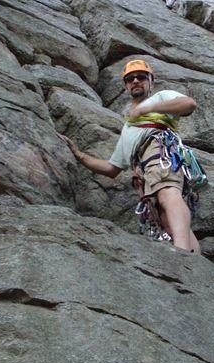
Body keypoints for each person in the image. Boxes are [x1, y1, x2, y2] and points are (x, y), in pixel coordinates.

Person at [59, 59, 201, 254]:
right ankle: (195, 259)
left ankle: (182, 252)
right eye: (130, 79)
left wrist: (146, 108)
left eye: (141, 77)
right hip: (144, 167)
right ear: (126, 86)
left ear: (151, 81)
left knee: (168, 194)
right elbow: (112, 168)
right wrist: (79, 155)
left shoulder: (161, 97)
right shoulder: (128, 128)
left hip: (159, 151)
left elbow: (189, 104)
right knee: (164, 215)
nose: (135, 81)